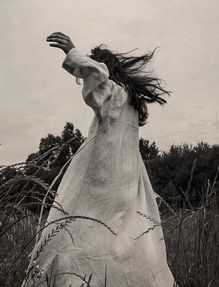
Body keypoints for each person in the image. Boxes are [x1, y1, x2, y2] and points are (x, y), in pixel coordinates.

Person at [23, 32, 176, 287]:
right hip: (128, 180)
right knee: (125, 238)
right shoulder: (133, 104)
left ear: (107, 68)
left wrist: (73, 53)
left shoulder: (115, 94)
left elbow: (98, 75)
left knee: (75, 229)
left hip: (104, 173)